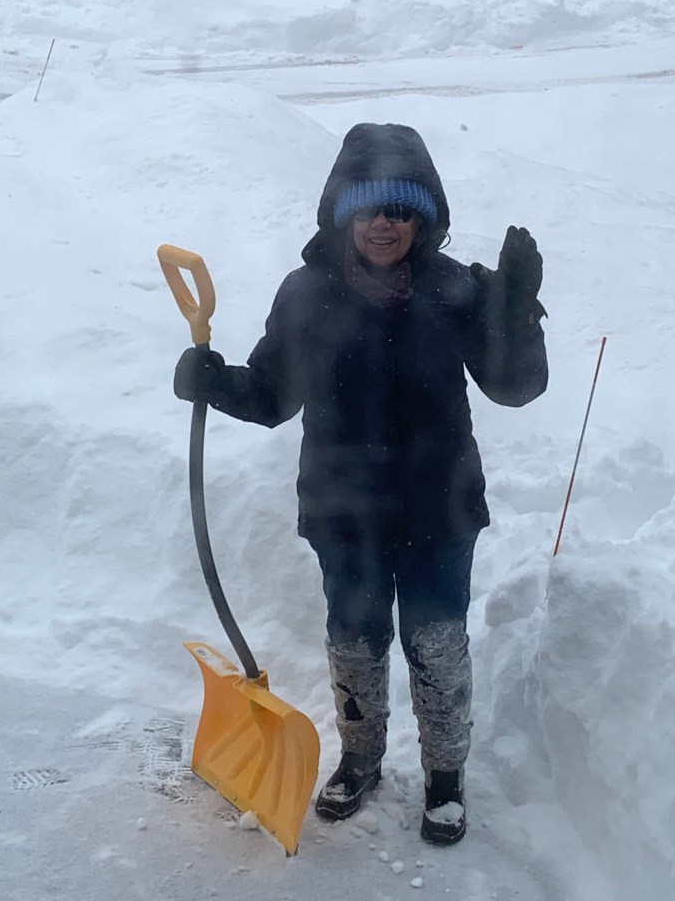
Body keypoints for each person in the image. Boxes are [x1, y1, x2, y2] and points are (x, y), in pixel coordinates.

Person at [173, 122, 547, 844]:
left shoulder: (454, 289)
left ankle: (445, 777)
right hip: (345, 511)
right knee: (354, 642)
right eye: (371, 208)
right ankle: (361, 758)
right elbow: (274, 395)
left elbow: (515, 387)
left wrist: (516, 314)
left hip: (438, 509)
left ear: (424, 217)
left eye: (401, 210)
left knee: (437, 644)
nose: (384, 224)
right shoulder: (307, 292)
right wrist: (217, 383)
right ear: (344, 209)